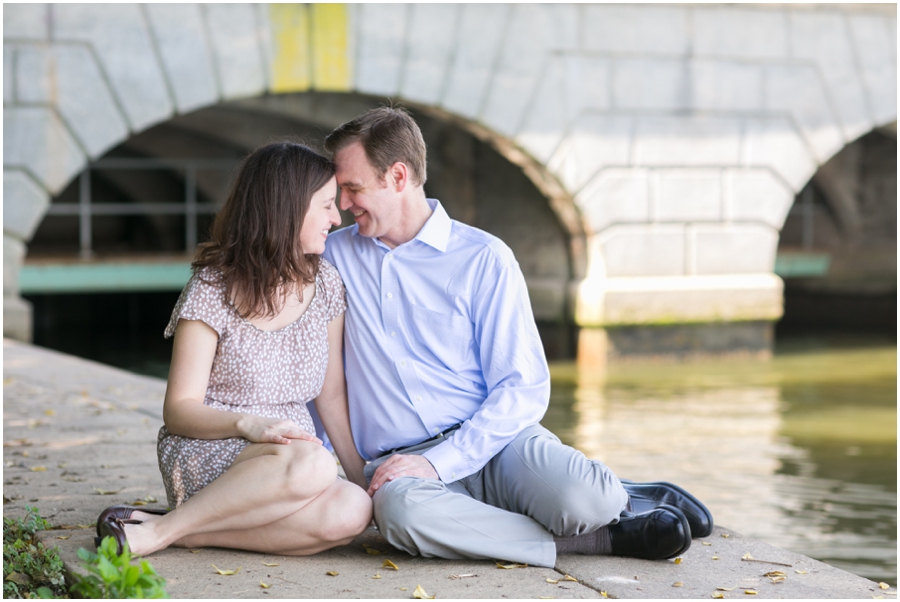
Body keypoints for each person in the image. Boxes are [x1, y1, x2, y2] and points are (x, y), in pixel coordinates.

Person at [321, 107, 712, 567]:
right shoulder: (332, 256)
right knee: (402, 515)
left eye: (353, 188)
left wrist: (444, 460)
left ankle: (619, 496)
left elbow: (522, 387)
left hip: (494, 444)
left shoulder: (485, 259)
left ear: (399, 176)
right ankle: (603, 540)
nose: (343, 204)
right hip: (402, 468)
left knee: (585, 502)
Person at [95, 142, 372, 557]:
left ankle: (174, 530)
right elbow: (179, 409)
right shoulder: (212, 286)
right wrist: (248, 424)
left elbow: (330, 396)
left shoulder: (327, 282)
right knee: (315, 464)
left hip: (290, 463)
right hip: (211, 447)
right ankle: (159, 533)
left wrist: (363, 480)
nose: (337, 218)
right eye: (327, 205)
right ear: (288, 207)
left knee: (353, 508)